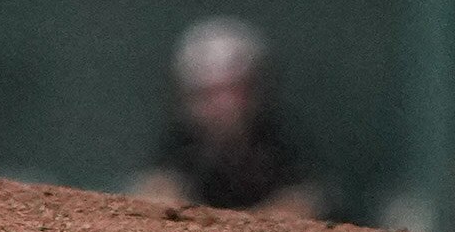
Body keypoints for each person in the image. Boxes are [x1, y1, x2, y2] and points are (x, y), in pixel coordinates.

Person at [133, 16, 324, 216]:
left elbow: (305, 200)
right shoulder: (180, 143)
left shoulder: (281, 140)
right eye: (207, 94)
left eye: (234, 91)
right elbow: (155, 193)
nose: (223, 105)